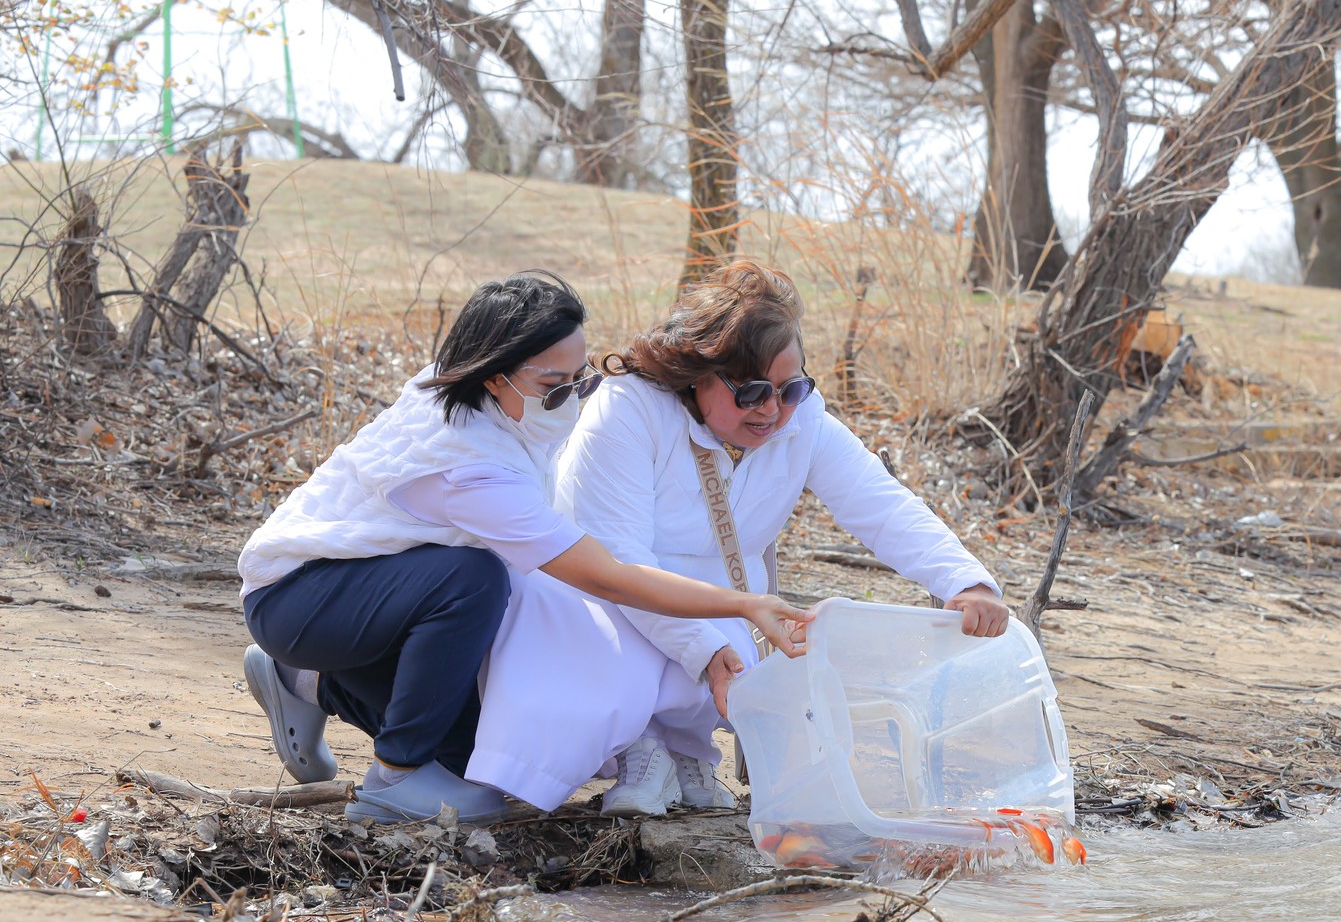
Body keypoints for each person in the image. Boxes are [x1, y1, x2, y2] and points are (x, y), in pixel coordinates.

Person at [236, 272, 809, 826]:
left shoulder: (501, 403)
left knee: (479, 757)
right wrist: (741, 605)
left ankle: (305, 682)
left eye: (579, 379)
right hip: (299, 595)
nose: (569, 397)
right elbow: (608, 575)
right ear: (493, 375)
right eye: (551, 385)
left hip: (379, 587)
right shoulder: (467, 464)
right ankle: (394, 778)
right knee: (473, 580)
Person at [501, 259, 1008, 816]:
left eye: (791, 388)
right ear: (697, 372)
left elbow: (880, 504)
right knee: (633, 653)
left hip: (729, 602)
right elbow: (615, 561)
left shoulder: (803, 418)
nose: (773, 410)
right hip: (603, 597)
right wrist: (704, 649)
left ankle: (687, 750)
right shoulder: (626, 408)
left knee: (746, 640)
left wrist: (966, 580)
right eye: (752, 392)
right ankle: (639, 749)